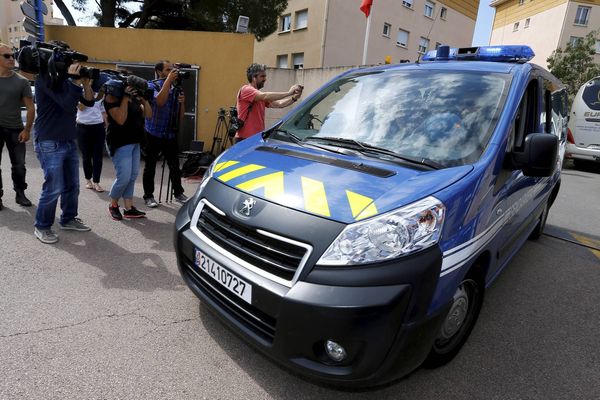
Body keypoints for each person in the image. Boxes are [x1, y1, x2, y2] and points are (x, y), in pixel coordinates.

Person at [33, 47, 95, 244]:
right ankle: (42, 226)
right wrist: (75, 82)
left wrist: (85, 83)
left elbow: (89, 103)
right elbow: (68, 104)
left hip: (68, 139)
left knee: (72, 186)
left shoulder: (66, 81)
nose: (73, 65)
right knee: (53, 187)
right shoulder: (45, 79)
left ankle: (68, 219)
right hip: (49, 141)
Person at [104, 77, 152, 221]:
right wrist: (125, 98)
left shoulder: (136, 98)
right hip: (120, 142)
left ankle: (129, 208)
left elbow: (148, 115)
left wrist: (144, 100)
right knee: (123, 177)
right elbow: (120, 119)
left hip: (134, 141)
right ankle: (113, 205)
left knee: (132, 176)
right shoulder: (112, 96)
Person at [142, 61, 187, 208]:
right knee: (150, 166)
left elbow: (180, 116)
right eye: (168, 70)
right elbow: (160, 102)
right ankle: (148, 196)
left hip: (169, 133)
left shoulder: (176, 88)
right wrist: (168, 81)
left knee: (174, 165)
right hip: (153, 132)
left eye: (172, 70)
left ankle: (178, 192)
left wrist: (182, 103)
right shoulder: (151, 85)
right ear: (159, 72)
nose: (171, 72)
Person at [0, 43, 35, 210]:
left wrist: (27, 129)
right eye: (6, 56)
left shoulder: (22, 82)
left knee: (19, 164)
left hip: (15, 128)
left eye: (12, 55)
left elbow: (30, 108)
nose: (11, 58)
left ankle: (20, 193)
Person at [234, 63, 303, 142]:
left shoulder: (258, 95)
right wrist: (289, 93)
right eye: (262, 76)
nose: (265, 79)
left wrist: (294, 98)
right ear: (254, 78)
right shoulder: (246, 90)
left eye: (265, 76)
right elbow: (265, 96)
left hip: (257, 138)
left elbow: (279, 104)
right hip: (244, 139)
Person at [76, 89, 107, 193]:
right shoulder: (79, 91)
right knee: (86, 156)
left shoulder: (100, 92)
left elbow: (102, 109)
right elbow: (81, 107)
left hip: (98, 127)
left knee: (98, 156)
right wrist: (90, 95)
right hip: (83, 127)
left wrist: (106, 122)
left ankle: (96, 181)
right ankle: (88, 180)